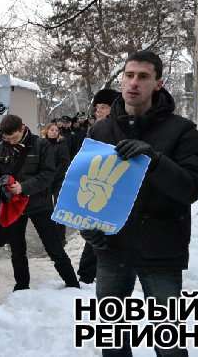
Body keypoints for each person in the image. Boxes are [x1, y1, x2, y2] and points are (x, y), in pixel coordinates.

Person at [81, 50, 198, 356]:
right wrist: (88, 229)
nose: (133, 83)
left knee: (169, 347)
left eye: (143, 76)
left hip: (161, 253)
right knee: (112, 343)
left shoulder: (182, 131)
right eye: (128, 75)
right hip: (112, 252)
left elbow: (191, 187)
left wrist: (154, 159)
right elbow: (83, 189)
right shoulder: (102, 130)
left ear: (159, 84)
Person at [0, 114, 79, 291]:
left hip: (39, 204)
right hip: (13, 206)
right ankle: (21, 287)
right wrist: (0, 187)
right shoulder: (0, 148)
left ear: (22, 129)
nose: (11, 142)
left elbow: (48, 174)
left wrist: (24, 187)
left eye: (14, 138)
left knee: (54, 248)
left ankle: (72, 285)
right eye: (7, 139)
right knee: (17, 251)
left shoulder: (41, 145)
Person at [77, 87, 121, 284]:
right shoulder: (96, 130)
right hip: (97, 187)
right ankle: (87, 274)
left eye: (103, 107)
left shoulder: (122, 128)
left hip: (116, 189)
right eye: (97, 108)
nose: (99, 112)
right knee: (95, 232)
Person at [41, 122, 70, 245]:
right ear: (46, 131)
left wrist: (53, 176)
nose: (54, 132)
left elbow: (64, 163)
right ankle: (49, 235)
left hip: (58, 181)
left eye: (56, 130)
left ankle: (61, 236)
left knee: (59, 207)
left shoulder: (61, 145)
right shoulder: (41, 144)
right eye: (51, 130)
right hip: (45, 181)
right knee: (46, 209)